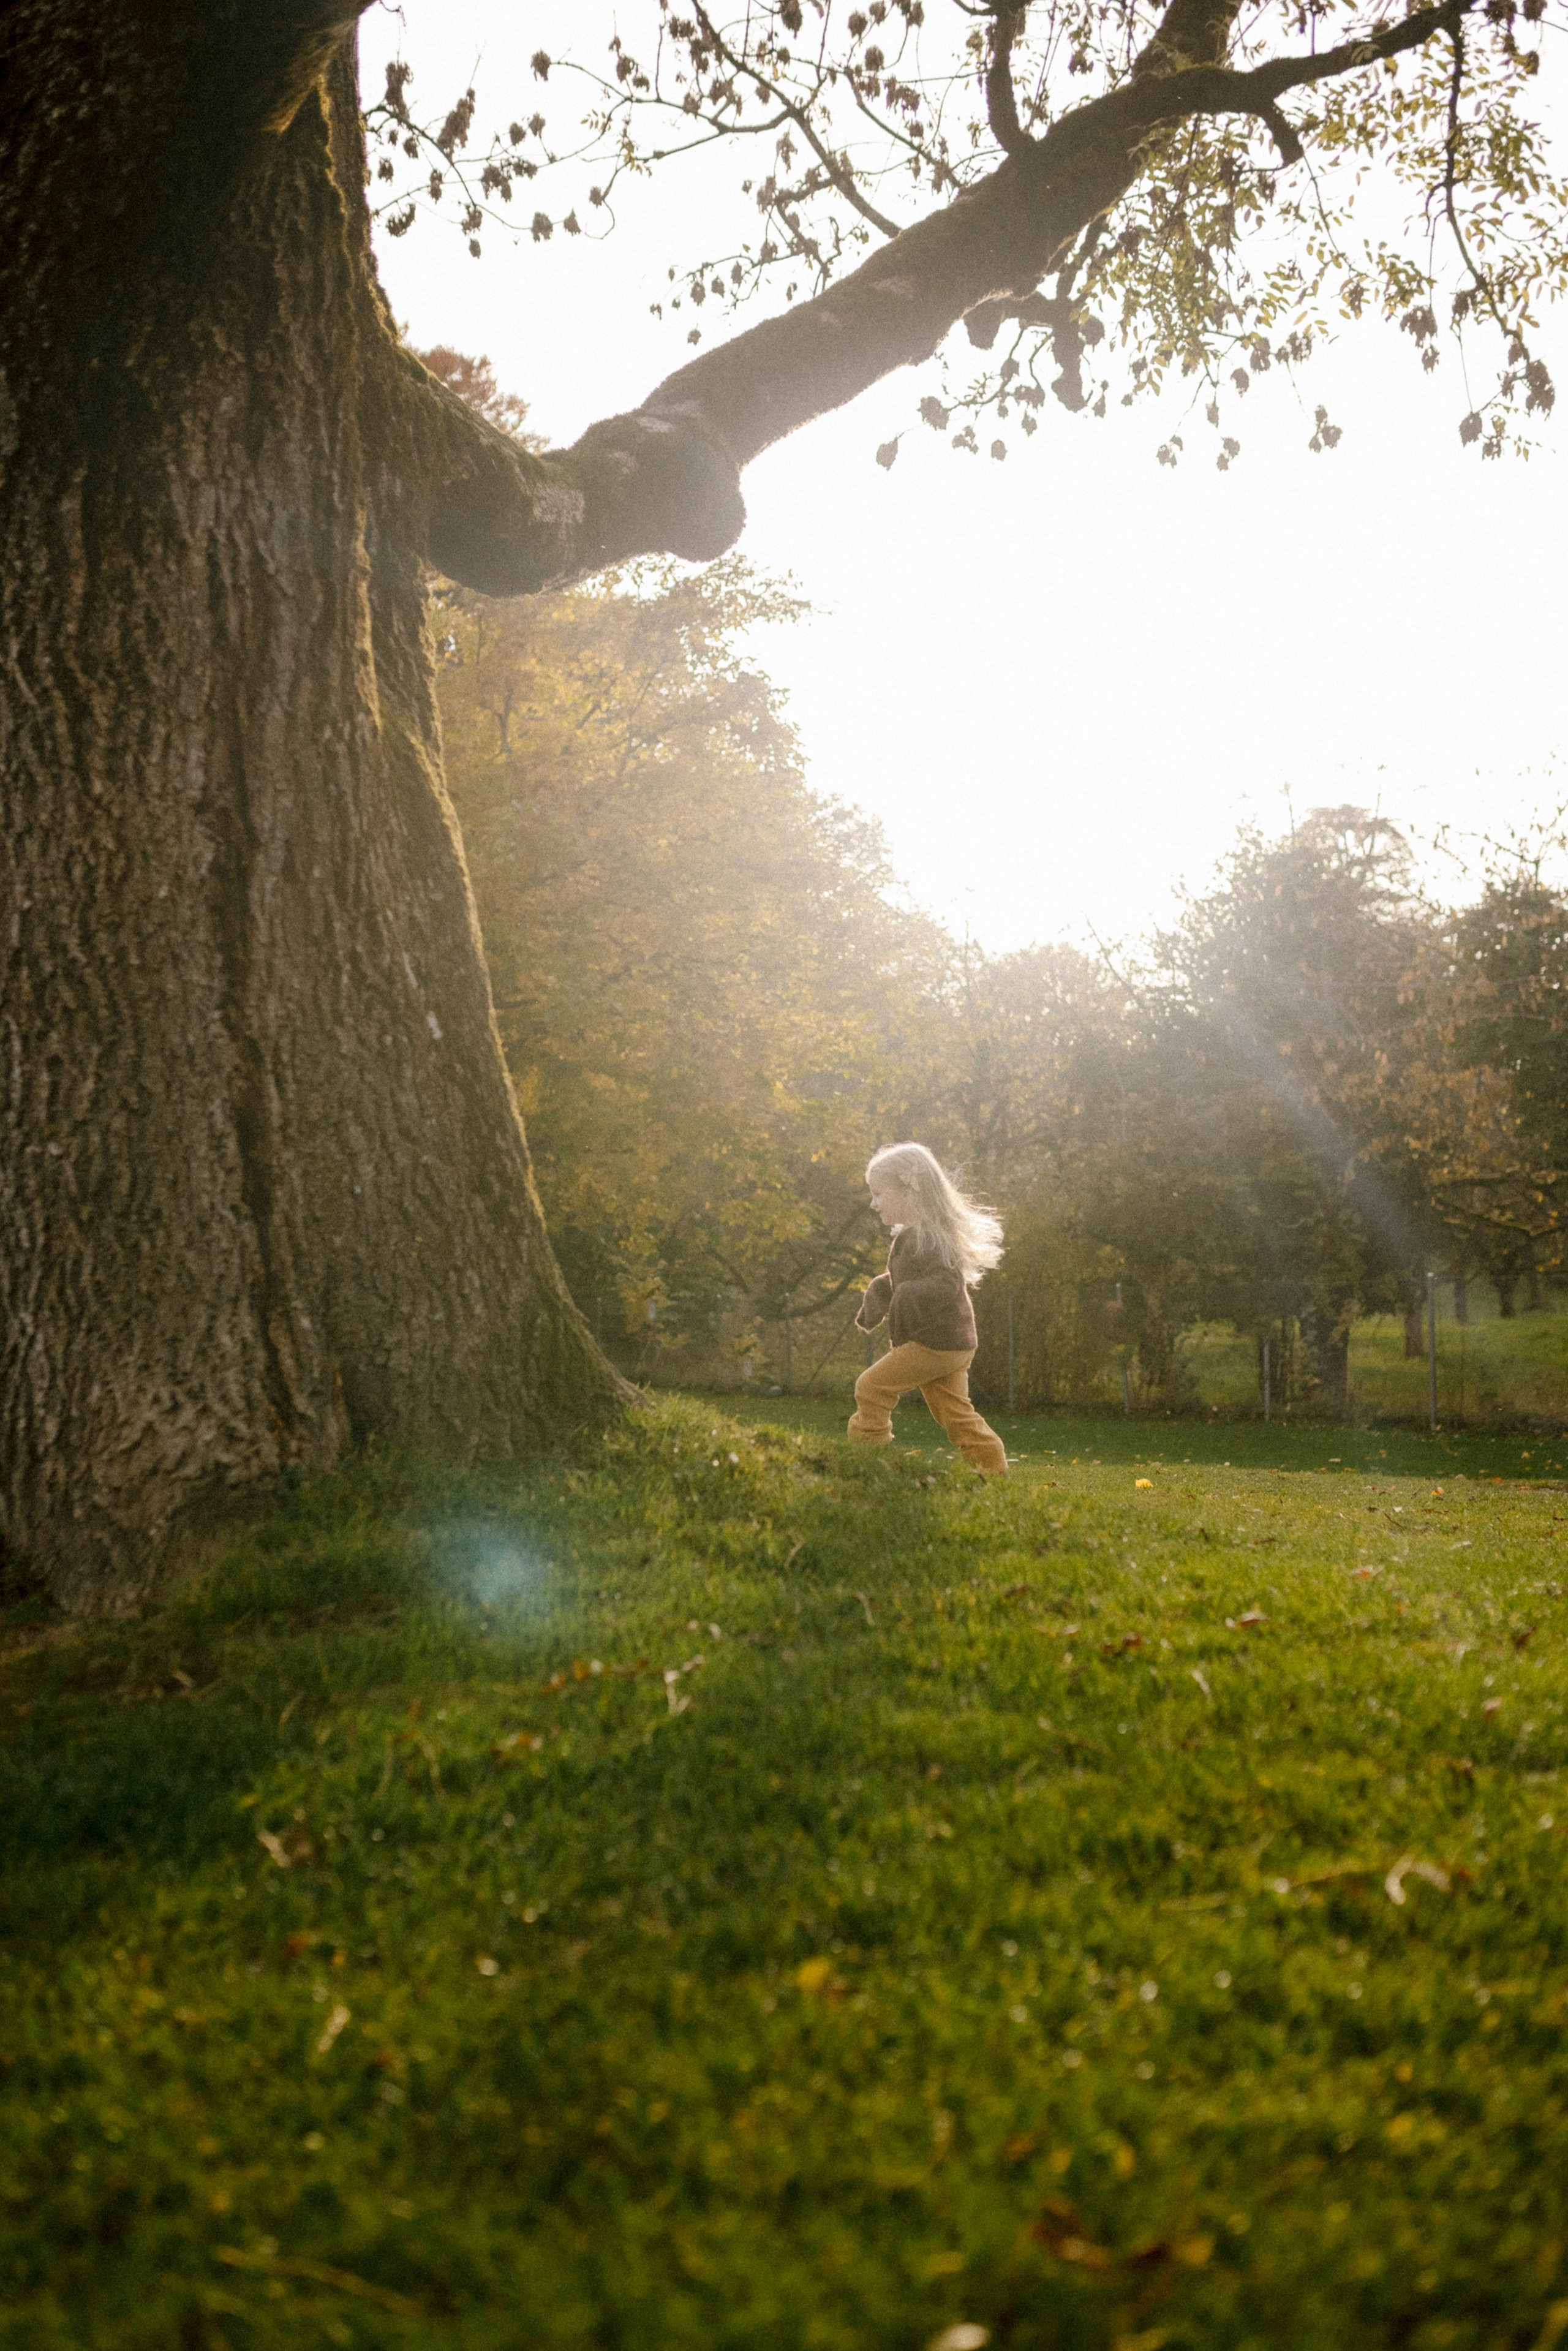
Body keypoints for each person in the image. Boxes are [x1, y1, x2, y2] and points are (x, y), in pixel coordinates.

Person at [849, 1142, 1008, 1476]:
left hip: (933, 1343)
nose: (873, 1204)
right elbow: (906, 1280)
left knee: (871, 1387)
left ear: (909, 1192)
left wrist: (904, 1294)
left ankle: (866, 1462)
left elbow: (944, 1284)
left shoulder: (929, 1238)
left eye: (880, 1194)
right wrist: (881, 1293)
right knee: (955, 1414)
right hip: (951, 1343)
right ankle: (993, 1473)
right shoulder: (915, 1236)